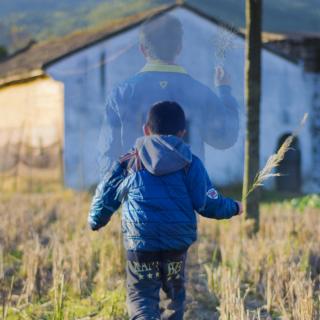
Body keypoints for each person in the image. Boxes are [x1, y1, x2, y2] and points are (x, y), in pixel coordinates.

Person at [89, 101, 242, 320]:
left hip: (140, 244)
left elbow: (106, 195)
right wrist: (234, 207)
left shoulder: (129, 162)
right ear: (182, 133)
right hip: (176, 245)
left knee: (141, 297)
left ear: (146, 129)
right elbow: (208, 203)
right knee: (174, 297)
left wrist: (96, 220)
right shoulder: (190, 163)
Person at [98, 13, 240, 176]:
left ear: (143, 49)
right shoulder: (201, 93)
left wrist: (116, 194)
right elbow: (225, 137)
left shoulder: (120, 94)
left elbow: (107, 153)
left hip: (138, 197)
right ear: (179, 47)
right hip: (187, 197)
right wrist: (224, 91)